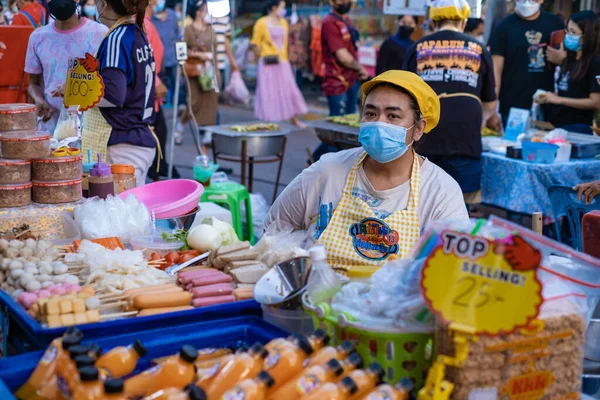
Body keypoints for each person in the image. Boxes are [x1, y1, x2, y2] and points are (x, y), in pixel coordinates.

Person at [265, 70, 468, 272]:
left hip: (391, 303)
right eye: (371, 113)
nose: (379, 123)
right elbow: (273, 231)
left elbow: (450, 268)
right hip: (318, 299)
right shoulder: (326, 171)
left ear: (418, 128)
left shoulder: (441, 192)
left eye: (393, 116)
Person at [403, 0, 498, 206]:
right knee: (460, 206)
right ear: (463, 21)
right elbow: (490, 103)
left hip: (425, 140)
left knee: (421, 203)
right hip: (465, 140)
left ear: (433, 22)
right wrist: (478, 123)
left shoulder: (417, 48)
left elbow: (404, 97)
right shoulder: (479, 49)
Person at [80, 0, 157, 186]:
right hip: (138, 140)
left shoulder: (117, 38)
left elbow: (113, 94)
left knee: (120, 213)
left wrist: (77, 94)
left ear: (104, 4)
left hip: (124, 145)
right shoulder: (136, 33)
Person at [24, 0, 106, 132]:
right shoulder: (37, 38)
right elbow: (33, 83)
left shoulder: (100, 34)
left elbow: (110, 83)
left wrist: (75, 88)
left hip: (89, 132)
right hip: (51, 131)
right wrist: (38, 98)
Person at [489, 0, 564, 124]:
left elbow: (570, 59)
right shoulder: (503, 26)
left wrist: (561, 59)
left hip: (548, 103)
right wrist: (492, 110)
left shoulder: (554, 23)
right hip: (513, 104)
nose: (527, 2)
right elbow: (496, 69)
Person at [312, 0, 368, 162]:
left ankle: (319, 160)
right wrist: (361, 69)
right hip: (337, 82)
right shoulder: (329, 23)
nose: (345, 2)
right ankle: (322, 162)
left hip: (351, 80)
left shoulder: (345, 20)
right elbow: (342, 56)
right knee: (337, 129)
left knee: (347, 130)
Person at [538, 11, 600, 135]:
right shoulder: (570, 59)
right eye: (567, 31)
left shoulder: (595, 63)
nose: (568, 36)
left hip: (578, 129)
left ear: (587, 35)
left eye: (573, 33)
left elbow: (596, 102)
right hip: (556, 125)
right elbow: (570, 91)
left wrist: (559, 99)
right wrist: (548, 97)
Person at [251, 0, 307, 127]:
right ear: (274, 7)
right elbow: (255, 42)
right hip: (267, 62)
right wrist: (259, 51)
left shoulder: (283, 22)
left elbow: (285, 42)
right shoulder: (261, 22)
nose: (284, 9)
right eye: (282, 7)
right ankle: (269, 120)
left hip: (282, 61)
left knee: (288, 89)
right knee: (268, 91)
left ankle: (293, 118)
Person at [178, 0, 219, 142]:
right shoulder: (188, 30)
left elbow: (215, 52)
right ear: (198, 12)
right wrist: (199, 55)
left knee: (210, 101)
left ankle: (208, 132)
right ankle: (180, 127)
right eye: (204, 9)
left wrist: (217, 72)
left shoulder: (210, 29)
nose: (207, 12)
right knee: (193, 102)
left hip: (209, 71)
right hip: (194, 71)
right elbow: (181, 51)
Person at [149, 0, 178, 106]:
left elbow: (177, 34)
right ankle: (163, 101)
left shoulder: (172, 16)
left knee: (175, 82)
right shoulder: (150, 19)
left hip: (172, 56)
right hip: (158, 61)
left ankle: (176, 103)